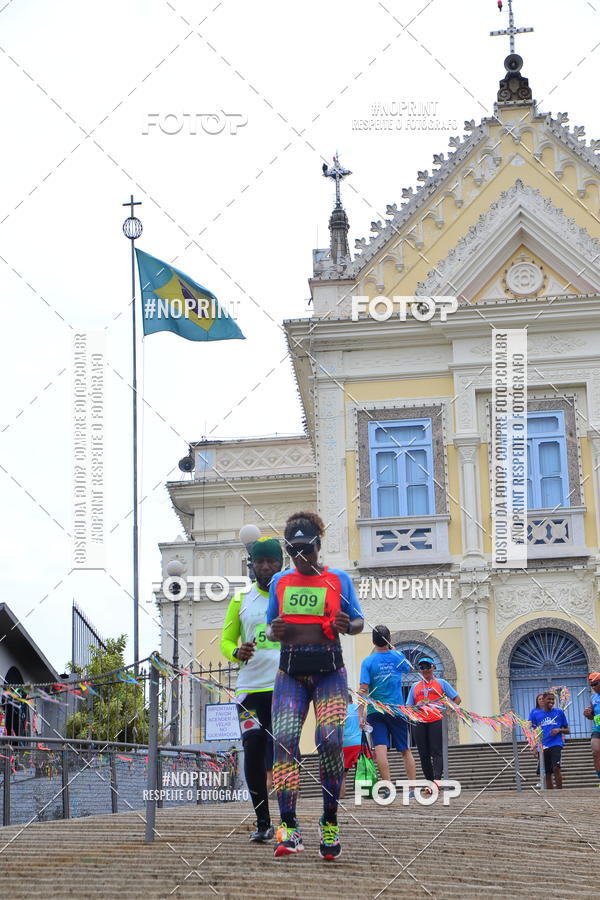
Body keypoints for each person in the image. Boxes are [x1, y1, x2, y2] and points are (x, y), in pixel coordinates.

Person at [266, 511, 364, 860]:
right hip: (290, 673)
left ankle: (330, 821)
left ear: (319, 546)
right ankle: (288, 829)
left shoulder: (338, 579)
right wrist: (272, 632)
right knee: (285, 743)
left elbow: (358, 622)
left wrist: (346, 624)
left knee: (331, 740)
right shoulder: (280, 582)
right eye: (294, 551)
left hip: (329, 672)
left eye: (307, 549)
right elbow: (268, 626)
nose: (301, 557)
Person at [220, 536, 283, 842]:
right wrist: (236, 652)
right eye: (260, 562)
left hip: (286, 689)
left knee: (284, 754)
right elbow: (225, 641)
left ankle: (289, 822)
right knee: (253, 750)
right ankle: (263, 822)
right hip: (249, 692)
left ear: (281, 564)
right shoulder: (240, 599)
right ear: (252, 566)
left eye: (272, 561)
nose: (266, 567)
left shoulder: (289, 596)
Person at [359, 626, 417, 795]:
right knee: (405, 750)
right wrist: (394, 650)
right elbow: (409, 668)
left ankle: (388, 788)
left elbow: (363, 689)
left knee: (380, 749)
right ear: (389, 640)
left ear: (373, 641)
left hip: (375, 710)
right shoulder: (398, 657)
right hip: (397, 710)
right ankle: (412, 788)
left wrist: (360, 714)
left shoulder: (367, 662)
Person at [405, 657, 460, 786]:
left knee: (436, 751)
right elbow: (408, 706)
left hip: (436, 720)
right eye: (422, 667)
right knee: (423, 754)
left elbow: (457, 699)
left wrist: (447, 712)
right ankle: (429, 782)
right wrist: (415, 707)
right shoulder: (414, 686)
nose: (425, 670)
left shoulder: (441, 683)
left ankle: (437, 781)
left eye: (427, 667)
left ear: (433, 667)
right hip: (420, 722)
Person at [529, 691, 570, 789]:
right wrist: (534, 746)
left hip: (556, 743)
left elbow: (567, 730)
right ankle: (551, 794)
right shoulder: (536, 714)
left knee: (556, 768)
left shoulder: (559, 712)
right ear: (543, 700)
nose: (551, 701)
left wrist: (559, 730)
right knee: (547, 772)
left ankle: (560, 791)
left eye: (553, 699)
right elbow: (533, 731)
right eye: (549, 699)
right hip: (543, 745)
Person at [339, 693, 365, 800]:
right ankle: (362, 795)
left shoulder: (340, 712)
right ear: (351, 701)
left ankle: (341, 796)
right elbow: (365, 725)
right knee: (361, 771)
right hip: (359, 743)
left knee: (343, 774)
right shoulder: (358, 709)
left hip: (345, 745)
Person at [582, 671, 600, 787]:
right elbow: (591, 716)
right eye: (591, 685)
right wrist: (587, 714)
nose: (593, 687)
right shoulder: (593, 697)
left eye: (595, 684)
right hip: (597, 728)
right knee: (595, 751)